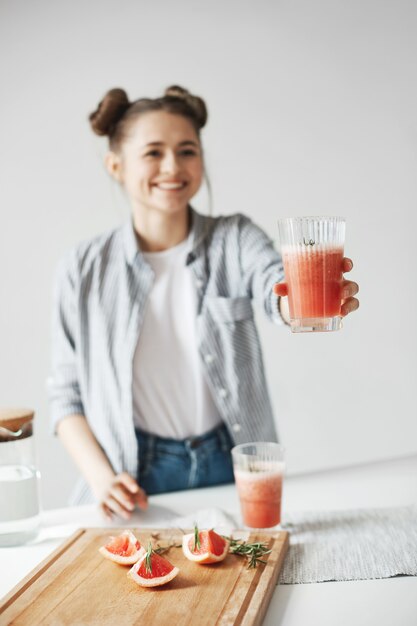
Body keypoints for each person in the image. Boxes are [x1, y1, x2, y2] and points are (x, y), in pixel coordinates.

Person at [48, 85, 359, 520]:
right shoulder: (81, 268)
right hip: (133, 472)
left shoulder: (236, 238)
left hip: (231, 460)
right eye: (153, 152)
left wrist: (301, 304)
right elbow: (66, 396)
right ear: (115, 166)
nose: (173, 166)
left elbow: (275, 286)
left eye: (187, 150)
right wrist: (102, 479)